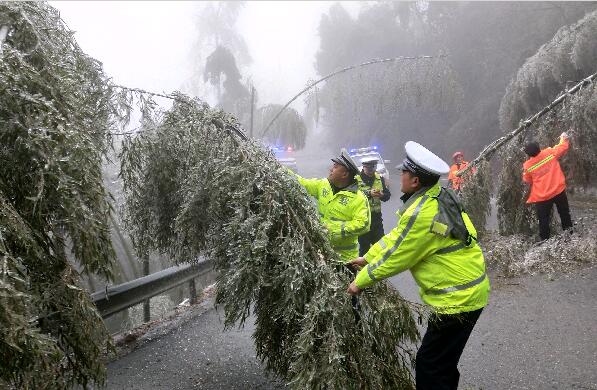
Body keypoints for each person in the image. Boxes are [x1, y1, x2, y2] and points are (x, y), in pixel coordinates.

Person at [347, 141, 490, 390]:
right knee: (442, 362)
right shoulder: (438, 195)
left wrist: (360, 282)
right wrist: (368, 257)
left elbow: (399, 255)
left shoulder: (423, 213)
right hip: (468, 294)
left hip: (457, 300)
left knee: (430, 364)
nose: (399, 175)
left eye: (403, 172)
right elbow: (397, 237)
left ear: (414, 181)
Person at [293, 148, 371, 262]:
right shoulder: (323, 185)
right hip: (321, 255)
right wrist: (279, 168)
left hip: (345, 260)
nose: (331, 169)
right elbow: (302, 183)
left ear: (344, 174)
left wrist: (331, 229)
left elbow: (363, 225)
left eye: (335, 167)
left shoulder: (358, 198)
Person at [523, 132, 572, 241]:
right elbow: (562, 147)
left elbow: (527, 179)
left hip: (542, 197)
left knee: (543, 221)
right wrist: (564, 137)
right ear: (539, 147)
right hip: (558, 191)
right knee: (564, 215)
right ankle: (569, 237)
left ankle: (544, 242)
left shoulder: (527, 166)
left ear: (528, 154)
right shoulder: (549, 153)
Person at [355, 157, 391, 256]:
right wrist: (369, 193)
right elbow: (353, 196)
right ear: (364, 167)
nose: (371, 170)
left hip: (377, 220)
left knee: (382, 249)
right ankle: (363, 270)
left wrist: (382, 195)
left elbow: (387, 195)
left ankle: (379, 269)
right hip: (363, 220)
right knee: (364, 250)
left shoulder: (380, 178)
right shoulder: (356, 179)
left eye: (373, 167)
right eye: (369, 168)